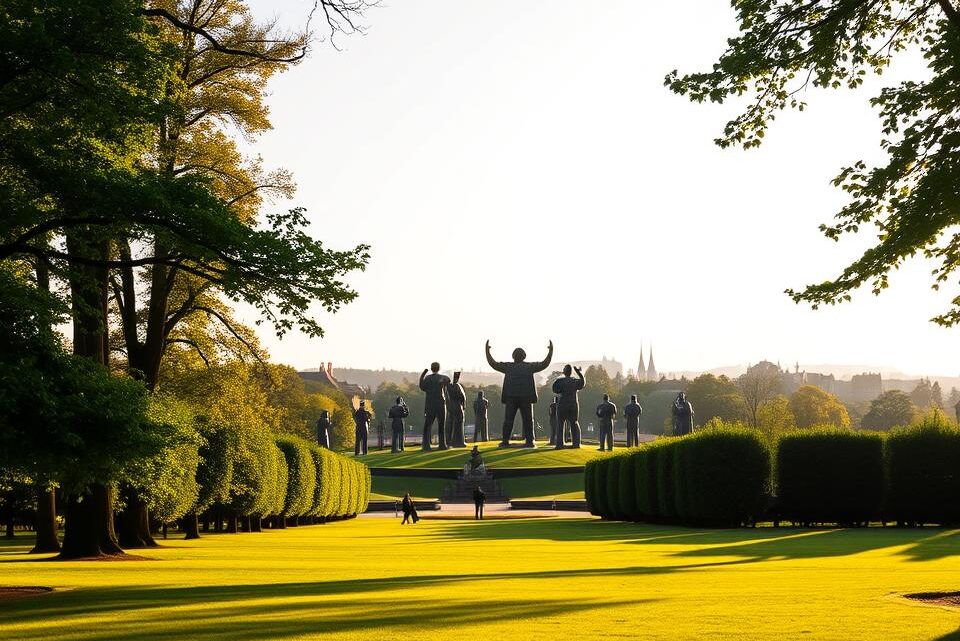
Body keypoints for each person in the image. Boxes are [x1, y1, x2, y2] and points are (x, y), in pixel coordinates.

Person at [485, 339, 553, 448]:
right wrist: (550, 351)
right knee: (527, 420)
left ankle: (506, 441)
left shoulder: (509, 367)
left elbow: (493, 364)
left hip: (512, 397)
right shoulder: (528, 367)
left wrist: (487, 351)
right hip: (524, 397)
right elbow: (545, 363)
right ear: (524, 356)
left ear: (513, 356)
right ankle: (529, 441)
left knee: (510, 420)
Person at [552, 364, 585, 449]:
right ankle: (576, 443)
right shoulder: (574, 381)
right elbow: (582, 383)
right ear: (571, 372)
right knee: (574, 423)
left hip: (562, 404)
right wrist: (579, 373)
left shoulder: (560, 381)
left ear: (564, 372)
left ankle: (559, 444)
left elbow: (555, 389)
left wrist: (558, 378)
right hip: (573, 404)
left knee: (560, 424)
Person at [419, 362, 451, 450]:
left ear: (431, 368)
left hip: (430, 404)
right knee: (441, 425)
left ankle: (426, 445)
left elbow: (422, 386)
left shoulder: (428, 378)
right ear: (438, 368)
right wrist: (441, 380)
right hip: (440, 403)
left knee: (428, 425)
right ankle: (442, 445)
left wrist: (423, 374)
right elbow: (448, 380)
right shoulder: (441, 377)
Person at [445, 371, 467, 448]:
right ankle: (459, 441)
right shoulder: (457, 386)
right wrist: (464, 405)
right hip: (458, 406)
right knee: (459, 424)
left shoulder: (447, 387)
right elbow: (462, 397)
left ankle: (449, 441)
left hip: (450, 407)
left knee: (450, 424)